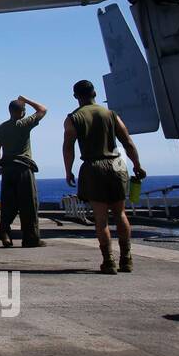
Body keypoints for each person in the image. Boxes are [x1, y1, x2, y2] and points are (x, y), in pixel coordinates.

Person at [62, 79, 146, 274]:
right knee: (120, 213)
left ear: (76, 97)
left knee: (101, 218)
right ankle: (126, 258)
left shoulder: (73, 118)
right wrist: (137, 165)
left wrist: (68, 170)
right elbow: (128, 142)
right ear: (95, 94)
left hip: (93, 167)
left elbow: (68, 147)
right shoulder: (110, 114)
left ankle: (108, 261)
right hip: (116, 165)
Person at [0, 94, 47, 248]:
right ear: (22, 111)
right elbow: (42, 109)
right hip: (23, 168)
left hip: (7, 169)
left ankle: (5, 233)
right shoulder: (24, 124)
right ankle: (31, 238)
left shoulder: (1, 128)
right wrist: (26, 100)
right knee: (29, 204)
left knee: (8, 203)